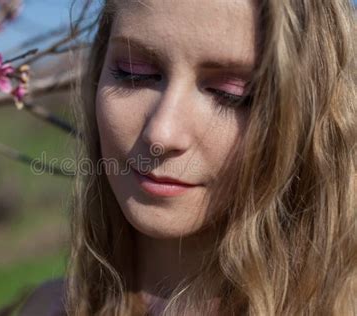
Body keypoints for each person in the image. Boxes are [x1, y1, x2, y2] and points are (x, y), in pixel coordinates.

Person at [20, 0, 356, 315]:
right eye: (134, 72)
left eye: (230, 94)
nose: (161, 134)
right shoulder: (49, 307)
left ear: (308, 118)